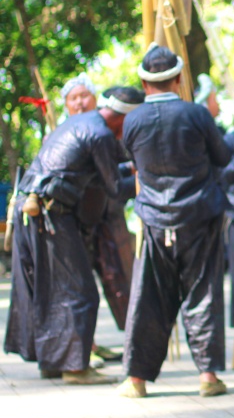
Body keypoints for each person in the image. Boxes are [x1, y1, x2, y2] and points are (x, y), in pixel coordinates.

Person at [4, 87, 142, 384]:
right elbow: (115, 188)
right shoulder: (101, 134)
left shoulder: (81, 123)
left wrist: (130, 167)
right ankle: (75, 368)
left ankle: (54, 362)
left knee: (55, 290)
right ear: (123, 119)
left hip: (37, 211)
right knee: (80, 291)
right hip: (48, 212)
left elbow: (95, 170)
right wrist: (144, 180)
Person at [117, 45, 231, 398]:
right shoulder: (196, 114)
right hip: (199, 217)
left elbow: (132, 162)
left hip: (153, 218)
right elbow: (222, 157)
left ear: (143, 81)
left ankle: (136, 380)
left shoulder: (132, 120)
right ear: (179, 79)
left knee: (149, 296)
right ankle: (208, 377)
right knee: (203, 293)